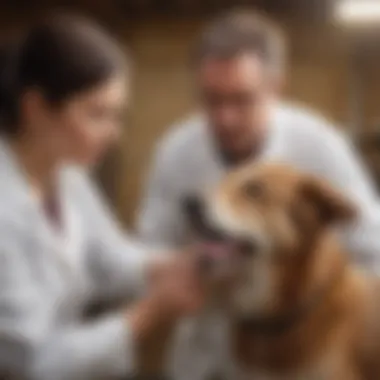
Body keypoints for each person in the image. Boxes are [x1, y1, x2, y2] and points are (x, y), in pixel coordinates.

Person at [0, 13, 206, 380]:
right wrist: (152, 312)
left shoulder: (67, 176)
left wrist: (172, 265)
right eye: (97, 114)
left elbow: (109, 257)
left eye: (117, 115)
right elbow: (35, 362)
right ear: (35, 109)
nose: (114, 135)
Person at [138, 9, 380, 271]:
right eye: (212, 99)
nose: (225, 119)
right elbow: (153, 249)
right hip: (209, 300)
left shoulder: (320, 145)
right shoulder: (176, 151)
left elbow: (371, 245)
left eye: (242, 100)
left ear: (276, 87)